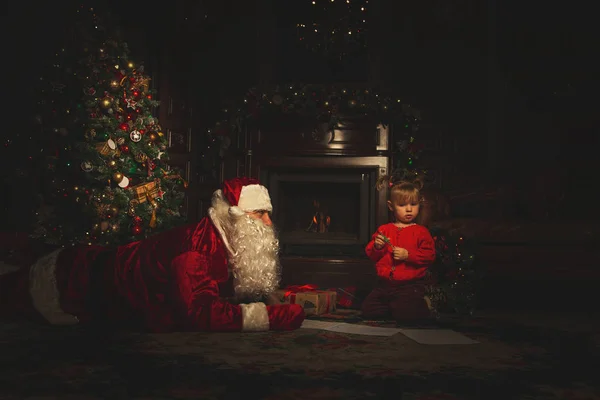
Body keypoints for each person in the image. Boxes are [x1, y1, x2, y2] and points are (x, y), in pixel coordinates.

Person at [0, 177, 305, 332]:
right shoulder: (196, 251)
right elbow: (199, 314)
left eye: (268, 214)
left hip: (92, 268)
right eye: (260, 214)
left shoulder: (222, 240)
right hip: (68, 281)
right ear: (236, 216)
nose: (268, 222)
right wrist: (279, 316)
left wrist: (265, 297)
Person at [361, 177, 436, 324]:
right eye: (402, 205)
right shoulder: (384, 230)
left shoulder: (421, 232)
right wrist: (377, 247)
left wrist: (408, 255)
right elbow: (372, 255)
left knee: (407, 315)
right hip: (384, 285)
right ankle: (393, 307)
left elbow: (430, 255)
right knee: (369, 310)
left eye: (413, 204)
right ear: (391, 206)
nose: (409, 209)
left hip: (409, 285)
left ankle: (422, 304)